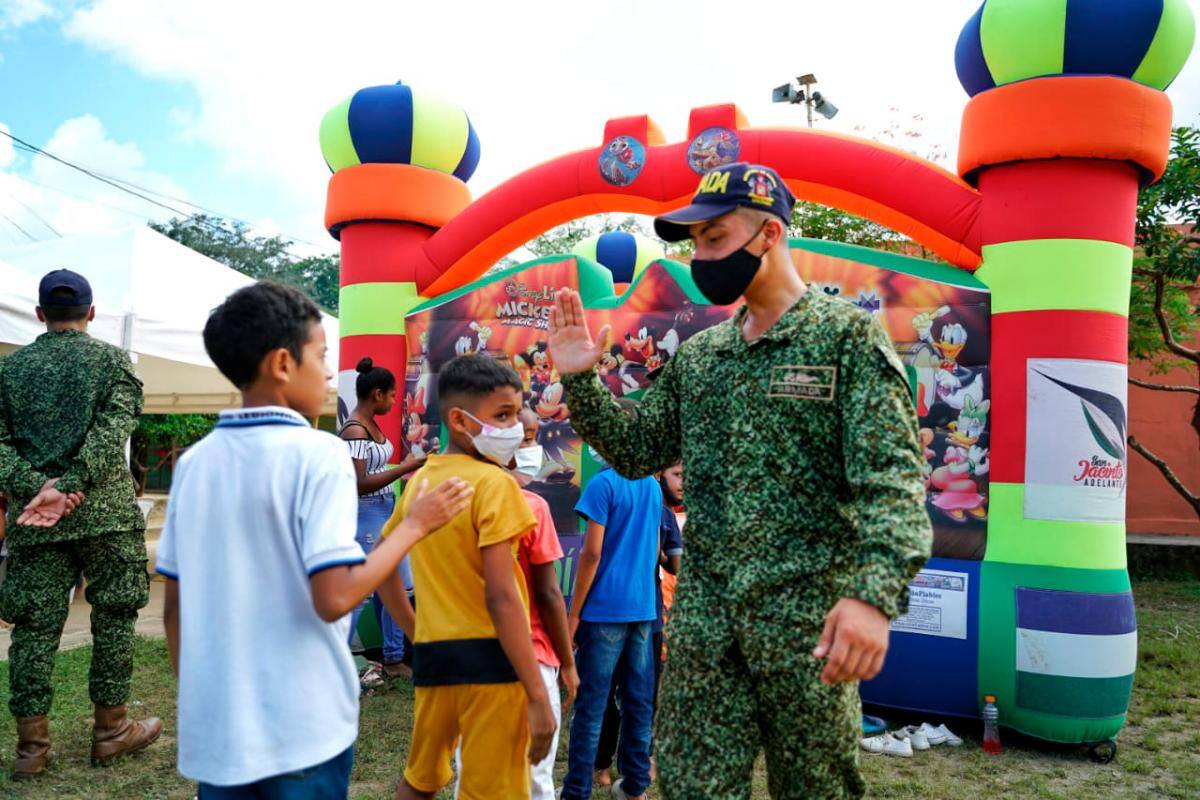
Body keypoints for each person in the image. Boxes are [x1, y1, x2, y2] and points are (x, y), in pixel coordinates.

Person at [548, 161, 932, 800]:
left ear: (770, 234)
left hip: (808, 629)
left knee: (816, 789)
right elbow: (639, 451)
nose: (702, 256)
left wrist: (872, 595)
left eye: (715, 238)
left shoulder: (845, 338)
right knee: (695, 788)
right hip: (705, 628)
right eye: (695, 242)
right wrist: (581, 381)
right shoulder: (702, 355)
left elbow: (892, 484)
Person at [155, 281, 472, 798]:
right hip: (304, 727)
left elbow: (175, 608)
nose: (330, 372)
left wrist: (200, 698)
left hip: (217, 732)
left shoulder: (194, 464)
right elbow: (335, 597)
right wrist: (413, 525)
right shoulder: (318, 453)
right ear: (282, 364)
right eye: (322, 355)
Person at [0, 269, 160, 779]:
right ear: (91, 313)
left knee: (32, 630)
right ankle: (111, 733)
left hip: (35, 519)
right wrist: (70, 484)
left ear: (40, 314)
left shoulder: (10, 370)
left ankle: (32, 751)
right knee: (113, 618)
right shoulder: (113, 361)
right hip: (105, 516)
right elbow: (115, 430)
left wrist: (38, 486)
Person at [388, 354, 556, 800]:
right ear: (459, 420)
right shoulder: (495, 485)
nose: (516, 428)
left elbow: (386, 564)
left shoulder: (421, 484)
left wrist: (416, 630)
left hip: (436, 660)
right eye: (502, 415)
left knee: (420, 782)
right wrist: (538, 694)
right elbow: (503, 597)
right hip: (494, 668)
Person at [453, 406, 579, 800]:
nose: (529, 443)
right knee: (536, 776)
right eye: (523, 435)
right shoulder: (532, 507)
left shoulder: (450, 499)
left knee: (473, 771)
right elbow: (547, 593)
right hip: (533, 656)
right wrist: (569, 663)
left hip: (469, 656)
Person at [562, 397, 660, 800]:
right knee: (638, 702)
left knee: (591, 706)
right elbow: (653, 551)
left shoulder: (603, 484)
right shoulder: (652, 484)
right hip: (642, 609)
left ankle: (576, 792)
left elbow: (591, 554)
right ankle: (636, 785)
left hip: (603, 612)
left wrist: (571, 617)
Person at [594, 460, 683, 786]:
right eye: (675, 474)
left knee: (626, 696)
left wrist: (658, 554)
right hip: (624, 613)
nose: (681, 482)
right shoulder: (614, 490)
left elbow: (674, 564)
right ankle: (612, 764)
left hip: (642, 613)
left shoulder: (664, 513)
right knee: (627, 696)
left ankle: (626, 765)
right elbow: (592, 554)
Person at [340, 357, 425, 683]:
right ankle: (336, 662)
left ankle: (393, 658)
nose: (393, 401)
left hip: (385, 508)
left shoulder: (369, 425)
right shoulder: (354, 431)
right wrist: (405, 467)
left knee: (401, 586)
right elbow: (358, 483)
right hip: (368, 512)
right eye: (391, 396)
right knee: (361, 593)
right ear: (376, 394)